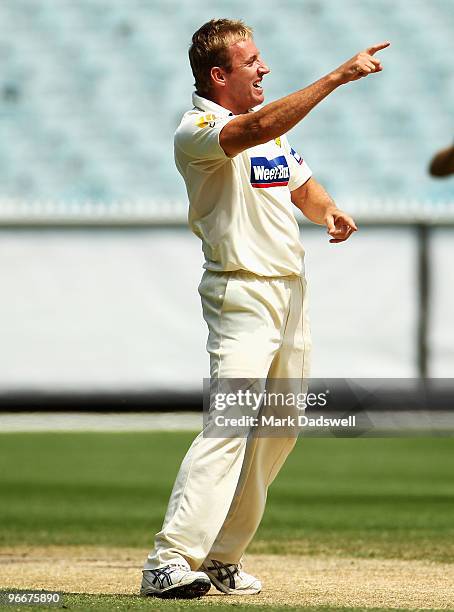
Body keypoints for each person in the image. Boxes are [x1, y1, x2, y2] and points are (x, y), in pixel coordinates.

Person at [141, 18, 390, 599]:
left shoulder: (269, 136)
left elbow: (299, 181)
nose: (264, 68)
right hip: (241, 290)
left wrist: (327, 210)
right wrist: (336, 76)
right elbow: (253, 128)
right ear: (219, 75)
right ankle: (169, 559)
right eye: (253, 61)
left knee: (279, 426)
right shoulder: (198, 129)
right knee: (230, 422)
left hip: (290, 291)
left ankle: (221, 557)